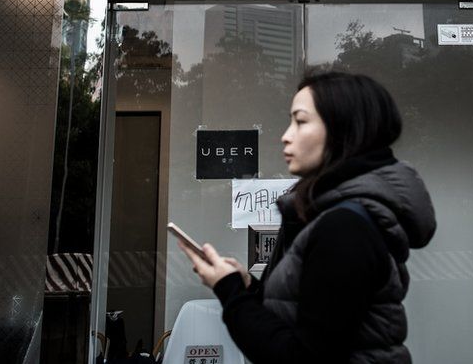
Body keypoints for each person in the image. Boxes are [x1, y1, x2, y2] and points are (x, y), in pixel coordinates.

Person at [178, 71, 437, 363]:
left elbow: (301, 356)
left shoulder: (344, 227)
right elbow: (299, 314)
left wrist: (230, 290)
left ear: (343, 131)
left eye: (300, 121)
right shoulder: (328, 215)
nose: (285, 136)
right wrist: (246, 285)